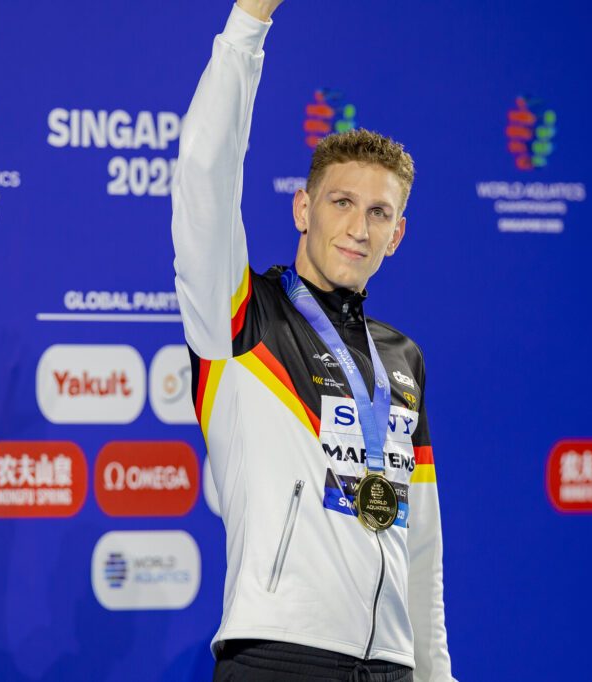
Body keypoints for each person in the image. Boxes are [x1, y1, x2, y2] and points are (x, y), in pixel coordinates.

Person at [171, 1, 455, 680]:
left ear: (398, 234)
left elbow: (422, 549)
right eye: (341, 202)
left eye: (379, 212)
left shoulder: (402, 359)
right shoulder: (243, 322)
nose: (359, 227)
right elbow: (203, 180)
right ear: (304, 208)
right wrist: (248, 24)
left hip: (390, 665)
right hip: (277, 657)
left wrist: (434, 673)